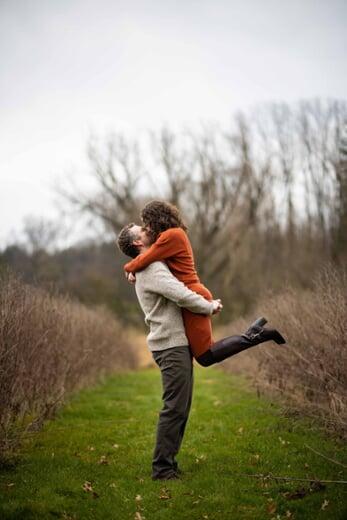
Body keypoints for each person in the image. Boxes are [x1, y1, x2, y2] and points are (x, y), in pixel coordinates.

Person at [123, 200, 286, 367]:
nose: (147, 228)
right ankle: (252, 333)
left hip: (192, 294)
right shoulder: (171, 236)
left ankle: (254, 336)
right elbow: (147, 260)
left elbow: (146, 259)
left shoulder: (171, 236)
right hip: (191, 293)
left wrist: (128, 268)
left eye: (147, 223)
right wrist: (134, 269)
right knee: (205, 353)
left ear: (156, 219)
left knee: (206, 356)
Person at [117, 224, 222, 480]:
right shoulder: (151, 269)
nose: (147, 228)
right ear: (138, 243)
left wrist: (132, 269)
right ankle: (162, 469)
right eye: (141, 230)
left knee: (181, 407)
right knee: (174, 407)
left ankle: (168, 464)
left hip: (174, 344)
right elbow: (180, 294)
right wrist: (208, 306)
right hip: (170, 345)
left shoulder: (149, 264)